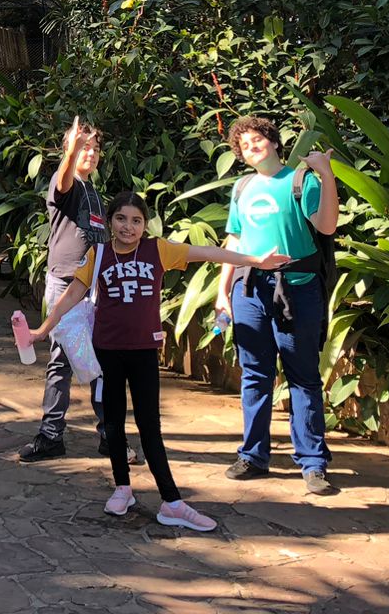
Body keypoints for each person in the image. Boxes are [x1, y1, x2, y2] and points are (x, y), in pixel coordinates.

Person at [33, 191, 291, 531]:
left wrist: (254, 261)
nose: (128, 227)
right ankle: (122, 488)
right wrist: (42, 330)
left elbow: (209, 253)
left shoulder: (159, 250)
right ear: (110, 221)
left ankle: (171, 501)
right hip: (107, 350)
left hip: (143, 351)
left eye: (136, 220)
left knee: (149, 425)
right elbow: (71, 297)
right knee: (112, 423)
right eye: (121, 219)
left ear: (145, 224)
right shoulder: (98, 254)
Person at [214, 115, 340, 495]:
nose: (252, 146)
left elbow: (328, 226)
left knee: (303, 376)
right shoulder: (242, 187)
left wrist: (327, 175)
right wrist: (223, 292)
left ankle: (313, 463)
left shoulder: (301, 182)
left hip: (297, 289)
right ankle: (253, 455)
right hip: (249, 289)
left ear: (272, 141)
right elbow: (234, 242)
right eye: (244, 144)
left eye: (257, 138)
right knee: (254, 374)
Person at [20, 118, 124, 464]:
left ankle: (111, 436)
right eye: (83, 147)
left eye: (94, 148)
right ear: (68, 150)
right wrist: (73, 150)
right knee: (62, 361)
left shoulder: (95, 193)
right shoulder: (64, 182)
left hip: (95, 287)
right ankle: (51, 436)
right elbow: (64, 178)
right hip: (65, 283)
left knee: (103, 361)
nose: (90, 153)